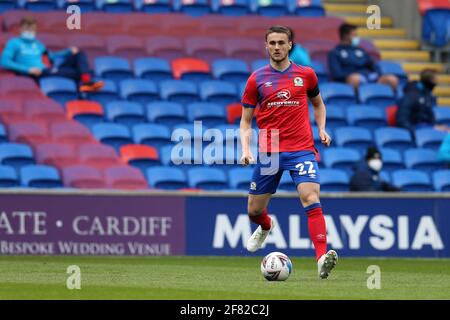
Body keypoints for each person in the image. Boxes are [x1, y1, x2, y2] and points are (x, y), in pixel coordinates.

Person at [240, 25, 337, 279]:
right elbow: (245, 120)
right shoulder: (256, 79)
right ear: (266, 46)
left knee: (310, 196)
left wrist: (322, 129)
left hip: (301, 149)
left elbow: (318, 104)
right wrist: (245, 150)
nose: (276, 47)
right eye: (272, 43)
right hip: (270, 151)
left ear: (290, 45)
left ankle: (321, 258)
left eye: (281, 42)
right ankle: (265, 227)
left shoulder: (306, 75)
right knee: (254, 210)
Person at [0, 16, 103, 92]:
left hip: (49, 69)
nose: (29, 31)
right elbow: (4, 61)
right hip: (38, 73)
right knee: (80, 72)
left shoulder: (38, 44)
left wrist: (68, 51)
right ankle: (84, 83)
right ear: (21, 29)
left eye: (32, 29)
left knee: (78, 54)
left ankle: (85, 81)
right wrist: (28, 70)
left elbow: (51, 57)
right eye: (27, 28)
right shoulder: (14, 43)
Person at [328, 23, 398, 91]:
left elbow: (372, 64)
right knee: (355, 78)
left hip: (368, 77)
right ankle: (358, 101)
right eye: (354, 35)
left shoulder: (360, 50)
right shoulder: (335, 53)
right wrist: (354, 73)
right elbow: (337, 74)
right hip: (352, 79)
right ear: (346, 36)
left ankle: (391, 101)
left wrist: (378, 74)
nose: (357, 37)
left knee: (392, 79)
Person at [396, 68, 450, 134]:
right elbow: (402, 120)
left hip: (427, 127)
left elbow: (430, 117)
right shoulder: (412, 95)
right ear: (430, 80)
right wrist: (414, 132)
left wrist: (436, 126)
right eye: (435, 80)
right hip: (417, 129)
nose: (437, 82)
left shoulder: (427, 95)